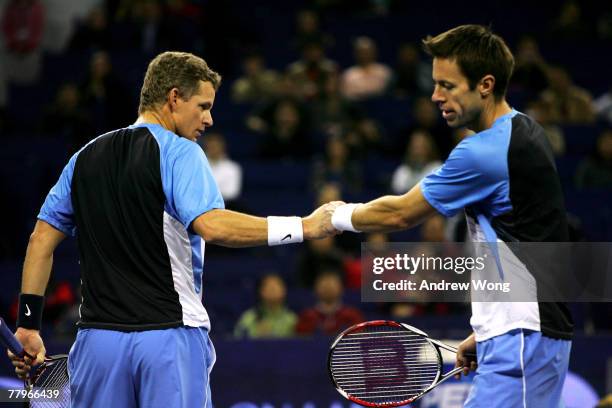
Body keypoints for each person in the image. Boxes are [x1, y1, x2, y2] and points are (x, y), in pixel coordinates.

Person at [7, 51, 341, 408]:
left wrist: (28, 325)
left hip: (96, 346)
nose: (209, 119)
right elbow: (212, 226)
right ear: (174, 98)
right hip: (167, 339)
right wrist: (305, 226)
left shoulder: (84, 156)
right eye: (204, 105)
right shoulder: (182, 152)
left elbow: (41, 239)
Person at [328, 25, 572, 407]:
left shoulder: (484, 152)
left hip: (522, 337)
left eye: (448, 85)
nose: (435, 95)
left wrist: (335, 217)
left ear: (485, 85)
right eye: (435, 83)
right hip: (522, 332)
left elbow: (401, 213)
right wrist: (488, 331)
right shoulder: (525, 129)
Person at [234, 273, 297, 339]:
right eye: (269, 287)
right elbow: (237, 340)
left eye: (277, 286)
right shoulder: (249, 318)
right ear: (261, 291)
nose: (273, 290)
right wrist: (257, 335)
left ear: (284, 291)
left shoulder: (292, 319)